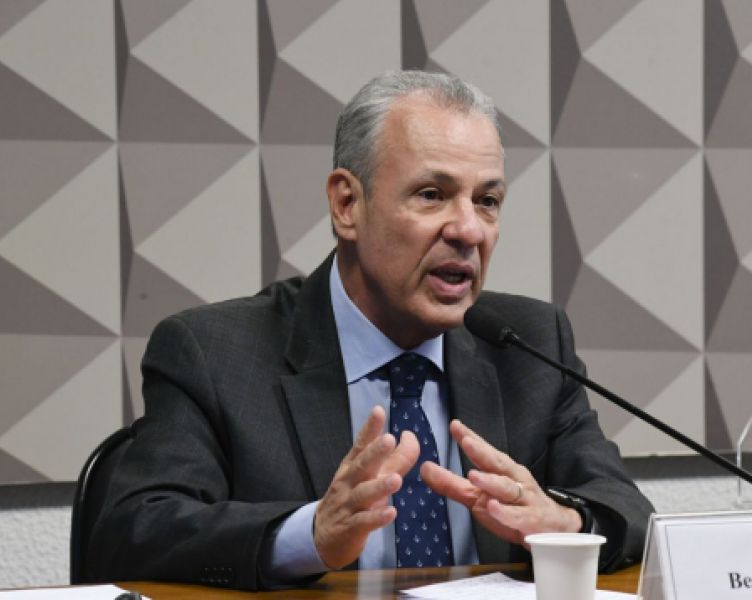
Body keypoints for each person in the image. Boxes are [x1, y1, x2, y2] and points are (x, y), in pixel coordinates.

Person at [89, 71, 654, 590]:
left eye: (487, 201)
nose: (468, 230)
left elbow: (626, 510)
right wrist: (309, 535)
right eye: (432, 194)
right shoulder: (215, 352)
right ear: (347, 205)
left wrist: (563, 523)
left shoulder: (528, 343)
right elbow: (135, 532)